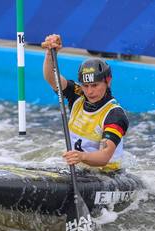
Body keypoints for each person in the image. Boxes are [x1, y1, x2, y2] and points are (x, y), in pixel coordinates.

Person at [41, 34, 129, 173]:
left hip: (107, 176)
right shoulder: (77, 95)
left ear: (108, 81)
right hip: (79, 169)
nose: (89, 91)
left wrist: (81, 156)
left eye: (95, 85)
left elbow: (104, 157)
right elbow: (52, 79)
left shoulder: (114, 115)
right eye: (85, 86)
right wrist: (50, 54)